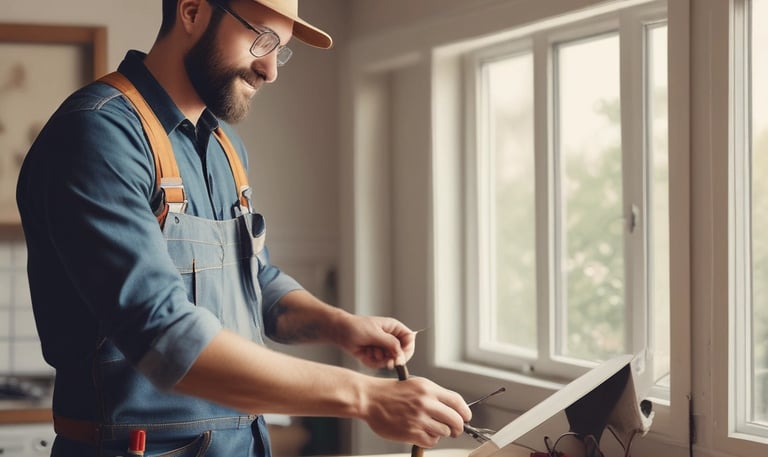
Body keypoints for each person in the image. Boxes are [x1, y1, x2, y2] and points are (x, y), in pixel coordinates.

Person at [15, 0, 472, 456]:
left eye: (282, 49)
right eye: (262, 38)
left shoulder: (224, 147)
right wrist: (366, 397)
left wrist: (340, 326)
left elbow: (255, 283)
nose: (271, 69)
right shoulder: (98, 135)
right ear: (192, 12)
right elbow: (164, 335)